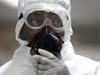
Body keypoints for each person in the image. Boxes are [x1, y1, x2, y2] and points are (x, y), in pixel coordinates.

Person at [0, 0, 100, 75]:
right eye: (36, 21)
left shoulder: (93, 70)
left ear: (65, 29)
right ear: (21, 29)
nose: (47, 30)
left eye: (56, 21)